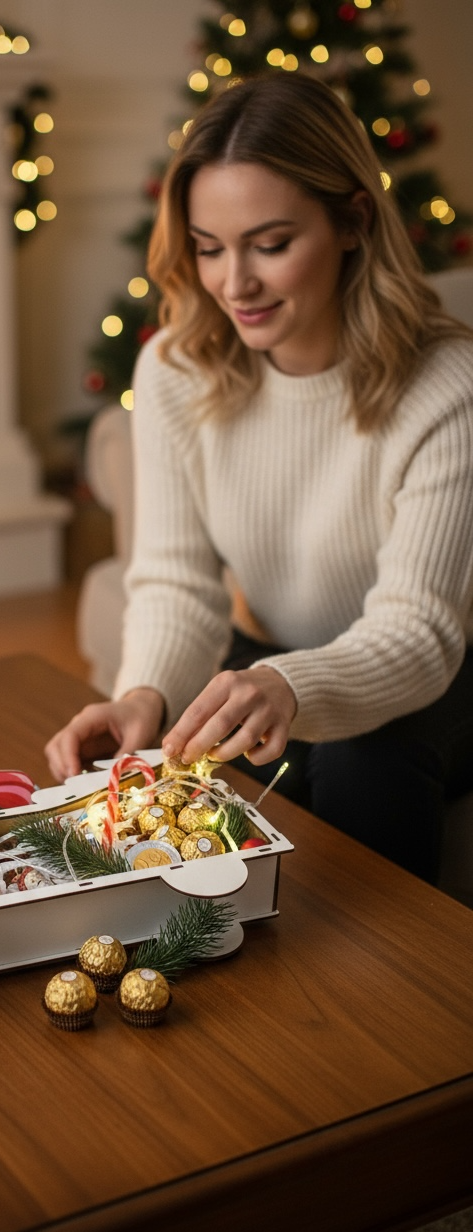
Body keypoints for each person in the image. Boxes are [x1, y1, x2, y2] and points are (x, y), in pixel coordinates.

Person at [45, 73, 473, 883]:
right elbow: (174, 580)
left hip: (440, 663)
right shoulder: (175, 368)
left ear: (351, 220)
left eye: (270, 244)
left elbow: (420, 631)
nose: (233, 283)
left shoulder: (448, 383)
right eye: (209, 248)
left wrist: (288, 687)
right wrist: (146, 696)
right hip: (267, 653)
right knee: (187, 767)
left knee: (355, 766)